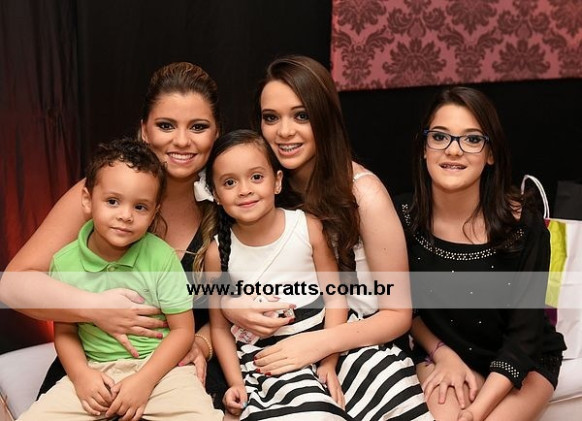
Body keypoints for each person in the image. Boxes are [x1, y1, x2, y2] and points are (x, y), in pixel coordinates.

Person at [0, 62, 227, 408]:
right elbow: (13, 285)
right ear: (144, 130)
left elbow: (234, 305)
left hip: (179, 366)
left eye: (198, 127)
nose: (182, 140)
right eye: (166, 125)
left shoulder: (233, 200)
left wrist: (201, 342)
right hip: (93, 368)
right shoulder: (104, 194)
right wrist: (95, 308)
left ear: (216, 133)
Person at [222, 55, 433, 420]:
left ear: (325, 117)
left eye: (301, 116)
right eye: (271, 117)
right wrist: (229, 306)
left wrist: (320, 344)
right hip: (282, 342)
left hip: (358, 343)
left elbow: (398, 313)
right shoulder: (259, 190)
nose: (284, 132)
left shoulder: (363, 194)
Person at [393, 86, 566, 421]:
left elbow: (524, 339)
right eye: (439, 137)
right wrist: (442, 353)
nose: (453, 150)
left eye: (472, 139)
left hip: (522, 362)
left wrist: (475, 412)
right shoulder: (400, 217)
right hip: (443, 353)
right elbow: (401, 307)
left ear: (490, 154)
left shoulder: (524, 227)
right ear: (423, 148)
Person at [18, 138, 222, 421]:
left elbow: (182, 331)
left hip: (161, 372)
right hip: (93, 369)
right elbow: (65, 331)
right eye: (113, 202)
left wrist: (144, 382)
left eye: (140, 207)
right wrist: (81, 375)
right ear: (88, 200)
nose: (125, 216)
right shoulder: (64, 262)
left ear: (155, 211)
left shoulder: (161, 258)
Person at [204, 129, 350, 420]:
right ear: (216, 195)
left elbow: (336, 299)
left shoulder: (308, 227)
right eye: (230, 182)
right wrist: (236, 383)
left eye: (256, 177)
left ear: (278, 181)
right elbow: (219, 328)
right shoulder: (217, 253)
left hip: (327, 343)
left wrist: (329, 361)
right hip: (269, 362)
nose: (244, 190)